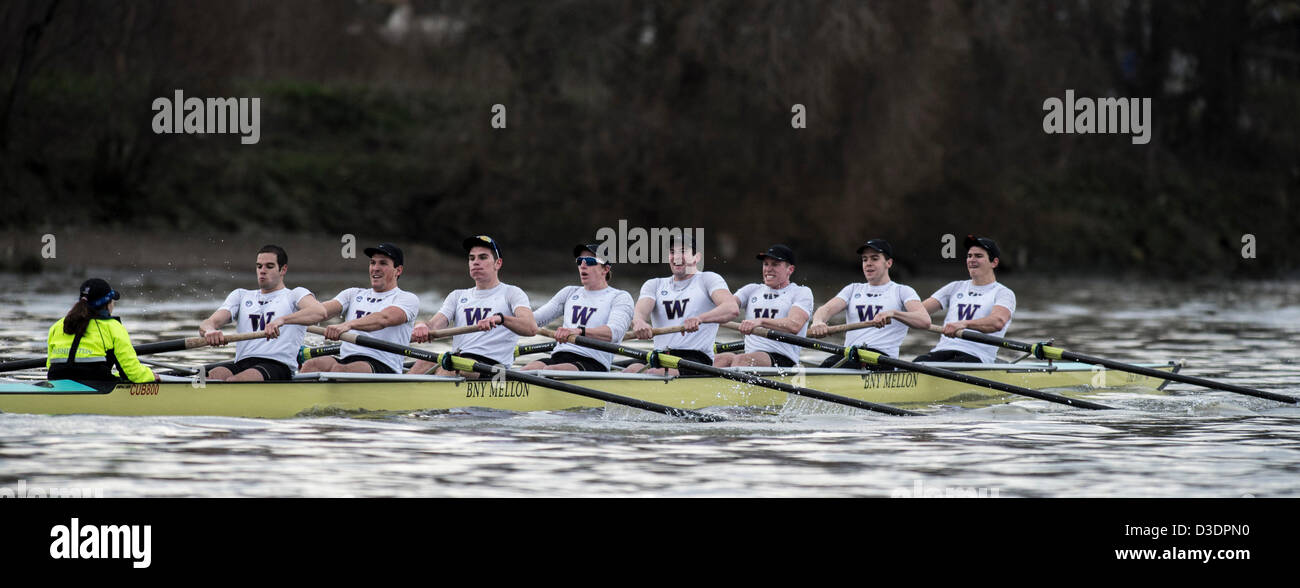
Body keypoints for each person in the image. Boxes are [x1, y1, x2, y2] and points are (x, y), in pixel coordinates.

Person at [408, 235, 536, 377]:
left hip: (493, 368)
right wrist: (421, 326)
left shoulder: (512, 293)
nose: (476, 262)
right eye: (472, 258)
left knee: (448, 369)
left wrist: (501, 319)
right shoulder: (457, 296)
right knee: (423, 363)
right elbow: (433, 326)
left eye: (483, 257)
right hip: (460, 360)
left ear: (498, 263)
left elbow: (530, 328)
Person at [198, 245, 327, 381]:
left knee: (235, 381)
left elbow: (320, 312)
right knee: (209, 376)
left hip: (278, 365)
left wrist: (281, 320)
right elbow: (210, 322)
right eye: (259, 266)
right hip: (243, 362)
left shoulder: (294, 295)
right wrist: (209, 331)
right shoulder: (241, 295)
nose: (262, 271)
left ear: (283, 269)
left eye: (269, 266)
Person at [299, 243, 421, 374]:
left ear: (398, 270)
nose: (375, 268)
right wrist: (285, 318)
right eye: (372, 263)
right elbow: (320, 312)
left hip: (384, 366)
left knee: (339, 370)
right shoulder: (353, 294)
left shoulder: (407, 298)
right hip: (347, 360)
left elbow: (384, 319)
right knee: (312, 365)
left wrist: (347, 325)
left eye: (383, 263)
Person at [808, 239, 930, 368]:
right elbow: (825, 309)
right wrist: (818, 322)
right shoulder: (852, 289)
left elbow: (924, 320)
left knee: (830, 371)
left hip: (882, 359)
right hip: (850, 355)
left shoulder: (902, 291)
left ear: (889, 263)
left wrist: (893, 313)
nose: (868, 264)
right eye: (865, 259)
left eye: (874, 259)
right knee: (826, 366)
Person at [625, 238, 739, 375]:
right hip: (660, 356)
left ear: (697, 257)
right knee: (630, 370)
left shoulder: (708, 279)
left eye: (683, 251)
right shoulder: (654, 284)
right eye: (672, 252)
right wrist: (639, 322)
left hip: (696, 359)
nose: (677, 257)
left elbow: (731, 308)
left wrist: (700, 318)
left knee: (653, 373)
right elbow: (640, 312)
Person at [523, 244, 635, 372]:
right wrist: (504, 318)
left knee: (550, 370)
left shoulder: (620, 297)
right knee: (528, 369)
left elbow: (614, 333)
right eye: (580, 261)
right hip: (560, 355)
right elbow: (534, 320)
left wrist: (579, 331)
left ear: (605, 269)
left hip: (593, 362)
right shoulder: (569, 292)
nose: (583, 265)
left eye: (590, 261)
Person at [914, 235, 1016, 363]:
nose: (972, 260)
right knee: (918, 362)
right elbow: (918, 312)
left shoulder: (1003, 293)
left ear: (994, 262)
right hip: (942, 351)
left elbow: (997, 322)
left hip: (977, 356)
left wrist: (964, 324)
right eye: (969, 256)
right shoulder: (955, 287)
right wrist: (892, 313)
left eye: (978, 256)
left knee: (945, 368)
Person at [713, 244, 814, 368]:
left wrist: (760, 321)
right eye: (766, 264)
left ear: (790, 269)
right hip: (751, 356)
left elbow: (794, 325)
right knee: (718, 360)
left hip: (783, 359)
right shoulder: (751, 290)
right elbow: (726, 307)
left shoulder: (801, 292)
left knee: (741, 360)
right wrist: (701, 317)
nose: (768, 269)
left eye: (775, 264)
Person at [46, 278, 157, 382]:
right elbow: (132, 372)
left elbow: (49, 365)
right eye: (113, 301)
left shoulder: (58, 325)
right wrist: (152, 376)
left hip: (56, 379)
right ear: (107, 304)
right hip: (95, 382)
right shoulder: (112, 327)